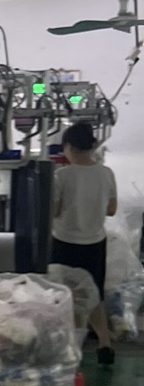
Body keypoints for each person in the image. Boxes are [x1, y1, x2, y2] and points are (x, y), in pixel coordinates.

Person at [50, 121, 118, 365]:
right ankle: (104, 342)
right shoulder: (106, 173)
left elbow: (55, 210)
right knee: (93, 293)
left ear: (69, 146)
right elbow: (111, 209)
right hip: (95, 242)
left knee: (65, 293)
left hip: (65, 242)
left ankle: (70, 347)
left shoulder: (61, 175)